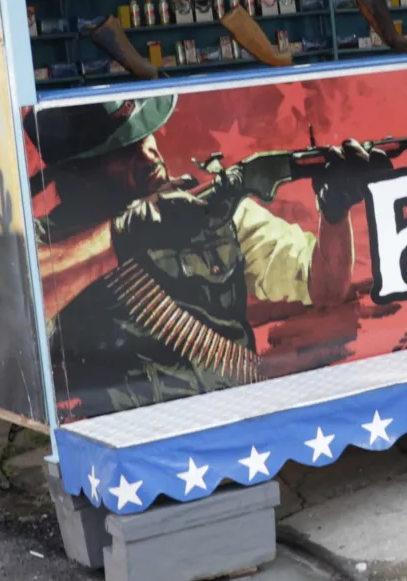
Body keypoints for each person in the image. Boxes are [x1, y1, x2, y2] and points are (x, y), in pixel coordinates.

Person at [25, 96, 379, 416]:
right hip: (130, 427)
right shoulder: (51, 244)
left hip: (234, 412)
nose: (149, 156)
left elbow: (326, 286)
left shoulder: (208, 208)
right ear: (80, 174)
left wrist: (334, 213)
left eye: (146, 135)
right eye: (124, 150)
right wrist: (123, 233)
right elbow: (23, 308)